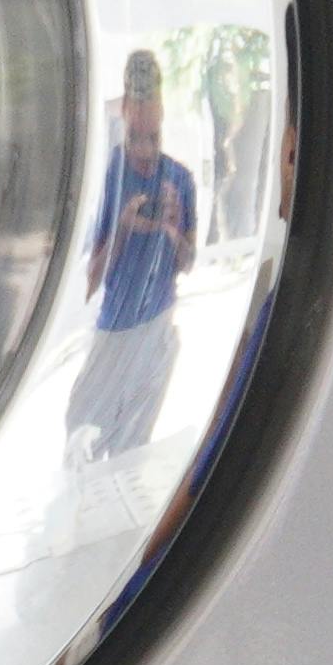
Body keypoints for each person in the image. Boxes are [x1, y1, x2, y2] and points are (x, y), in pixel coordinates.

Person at [66, 46, 195, 458]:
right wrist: (122, 227)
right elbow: (90, 281)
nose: (144, 151)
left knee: (132, 448)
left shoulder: (180, 179)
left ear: (162, 120)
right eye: (135, 138)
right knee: (80, 427)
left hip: (156, 327)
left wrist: (172, 229)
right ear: (124, 118)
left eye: (153, 139)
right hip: (113, 329)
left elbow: (188, 264)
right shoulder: (108, 176)